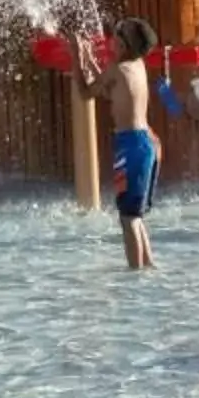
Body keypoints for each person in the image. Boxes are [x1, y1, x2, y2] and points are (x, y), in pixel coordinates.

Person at [76, 17, 160, 271]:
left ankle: (135, 276)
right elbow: (110, 90)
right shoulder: (136, 65)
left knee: (128, 217)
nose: (110, 38)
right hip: (148, 144)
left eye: (116, 36)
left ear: (122, 46)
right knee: (135, 215)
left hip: (131, 146)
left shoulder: (116, 69)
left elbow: (85, 93)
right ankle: (147, 266)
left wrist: (75, 56)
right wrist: (90, 61)